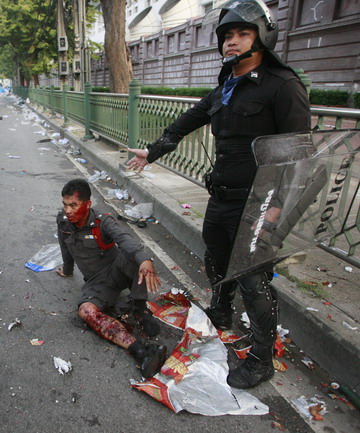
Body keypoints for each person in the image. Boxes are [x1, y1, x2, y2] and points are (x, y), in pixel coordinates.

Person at [127, 0, 311, 389]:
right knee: (215, 256)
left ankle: (262, 359)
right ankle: (222, 311)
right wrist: (152, 151)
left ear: (262, 36)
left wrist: (278, 208)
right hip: (223, 197)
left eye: (243, 33)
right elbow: (187, 120)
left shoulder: (283, 86)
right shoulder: (226, 87)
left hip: (258, 202)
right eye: (227, 35)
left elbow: (297, 157)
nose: (232, 41)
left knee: (253, 280)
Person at [56, 178, 167, 378]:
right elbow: (65, 247)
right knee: (86, 311)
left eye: (74, 205)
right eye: (65, 204)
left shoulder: (102, 221)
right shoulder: (63, 221)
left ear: (87, 204)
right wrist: (67, 269)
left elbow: (126, 240)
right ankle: (141, 351)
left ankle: (140, 308)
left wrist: (145, 260)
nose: (68, 210)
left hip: (118, 269)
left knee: (134, 257)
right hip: (97, 283)